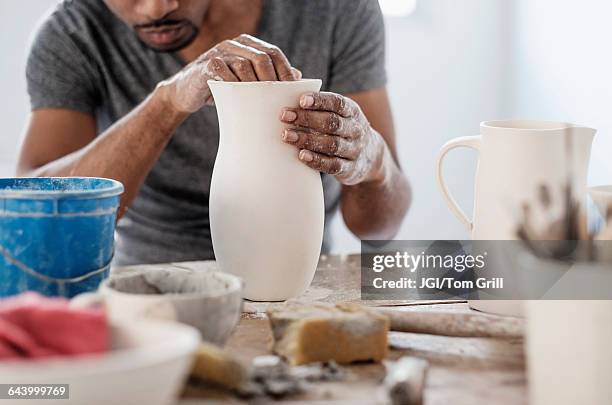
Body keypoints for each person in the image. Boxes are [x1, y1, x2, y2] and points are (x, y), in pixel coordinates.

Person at [18, 0, 411, 265]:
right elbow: (35, 225)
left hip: (301, 275)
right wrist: (167, 103)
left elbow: (379, 229)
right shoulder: (73, 33)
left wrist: (372, 160)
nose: (159, 7)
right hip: (156, 279)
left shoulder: (334, 10)